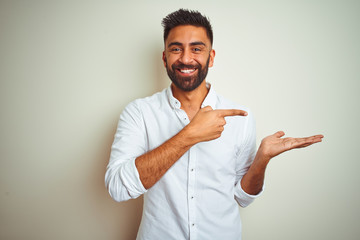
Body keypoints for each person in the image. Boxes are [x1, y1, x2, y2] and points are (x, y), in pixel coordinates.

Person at [105, 9, 323, 240]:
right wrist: (189, 135)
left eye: (197, 49)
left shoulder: (242, 116)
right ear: (164, 57)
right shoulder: (139, 113)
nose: (186, 58)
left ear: (211, 57)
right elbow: (118, 188)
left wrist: (262, 159)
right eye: (176, 48)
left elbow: (243, 198)